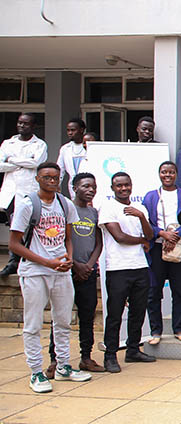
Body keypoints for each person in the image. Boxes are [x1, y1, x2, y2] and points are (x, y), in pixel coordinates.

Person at [11, 162, 91, 393]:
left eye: (55, 177)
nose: (52, 181)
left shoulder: (65, 204)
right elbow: (15, 244)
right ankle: (36, 371)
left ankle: (63, 366)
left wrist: (68, 258)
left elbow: (68, 237)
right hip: (35, 271)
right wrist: (48, 262)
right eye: (47, 177)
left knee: (63, 321)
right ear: (38, 179)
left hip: (61, 271)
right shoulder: (28, 205)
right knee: (34, 323)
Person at [45, 173, 104, 375]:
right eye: (86, 186)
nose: (90, 190)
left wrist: (88, 265)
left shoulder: (94, 213)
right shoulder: (64, 210)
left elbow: (98, 242)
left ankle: (86, 357)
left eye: (93, 187)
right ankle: (55, 360)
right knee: (60, 317)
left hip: (87, 273)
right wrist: (75, 264)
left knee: (87, 317)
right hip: (66, 272)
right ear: (75, 187)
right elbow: (59, 239)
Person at [99, 172, 156, 372]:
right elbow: (119, 236)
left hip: (139, 265)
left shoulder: (139, 208)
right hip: (118, 267)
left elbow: (150, 235)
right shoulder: (108, 207)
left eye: (126, 185)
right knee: (115, 314)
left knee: (138, 310)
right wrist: (141, 241)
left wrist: (141, 217)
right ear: (113, 188)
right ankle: (110, 356)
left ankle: (133, 350)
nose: (123, 189)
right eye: (119, 186)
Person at [141, 161, 181, 345]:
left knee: (179, 290)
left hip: (178, 248)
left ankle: (179, 329)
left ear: (176, 174)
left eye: (171, 172)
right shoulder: (150, 197)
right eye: (164, 172)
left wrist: (175, 236)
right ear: (159, 174)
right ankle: (156, 331)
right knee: (153, 290)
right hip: (156, 248)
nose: (168, 175)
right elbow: (145, 220)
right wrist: (161, 233)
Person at [0, 113, 47, 276]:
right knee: (14, 225)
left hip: (28, 190)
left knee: (28, 226)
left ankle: (27, 258)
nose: (22, 126)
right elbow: (0, 165)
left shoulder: (39, 144)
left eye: (26, 124)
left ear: (33, 126)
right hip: (11, 191)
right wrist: (22, 162)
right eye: (20, 123)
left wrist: (12, 160)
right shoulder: (8, 143)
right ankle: (14, 260)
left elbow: (36, 163)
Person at [57, 118, 87, 199]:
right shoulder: (65, 148)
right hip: (73, 185)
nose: (70, 133)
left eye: (73, 130)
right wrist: (56, 185)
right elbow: (60, 169)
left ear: (81, 130)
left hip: (88, 184)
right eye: (68, 130)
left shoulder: (89, 146)